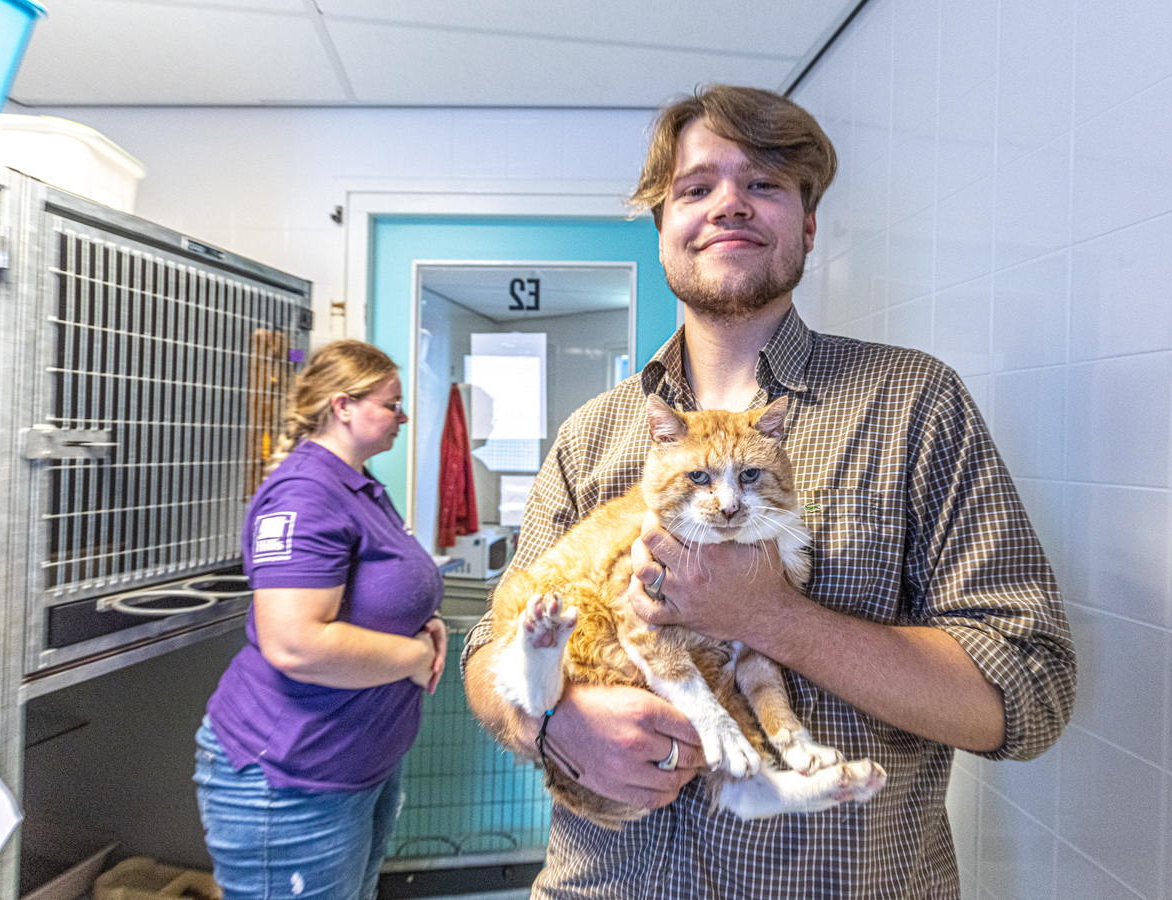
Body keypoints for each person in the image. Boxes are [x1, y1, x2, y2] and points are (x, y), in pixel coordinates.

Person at [461, 84, 1076, 897]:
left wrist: (768, 615)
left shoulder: (911, 405)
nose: (727, 205)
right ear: (661, 229)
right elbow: (485, 651)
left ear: (807, 223)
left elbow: (1026, 694)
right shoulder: (595, 434)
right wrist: (549, 724)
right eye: (695, 187)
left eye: (762, 184)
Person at [195, 339, 448, 900]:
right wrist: (416, 657)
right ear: (343, 406)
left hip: (357, 763)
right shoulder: (305, 494)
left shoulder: (357, 484)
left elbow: (378, 595)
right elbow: (295, 644)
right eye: (391, 403)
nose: (402, 416)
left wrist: (424, 625)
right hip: (292, 776)